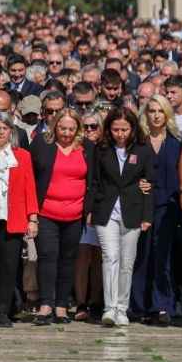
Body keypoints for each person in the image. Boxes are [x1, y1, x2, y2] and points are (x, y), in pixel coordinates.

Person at [30, 108, 95, 325]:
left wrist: (89, 209)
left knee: (68, 259)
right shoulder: (42, 144)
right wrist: (32, 214)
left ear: (78, 129)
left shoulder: (87, 148)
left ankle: (61, 305)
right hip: (46, 212)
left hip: (75, 214)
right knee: (47, 256)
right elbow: (31, 176)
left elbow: (94, 180)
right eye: (62, 128)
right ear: (55, 126)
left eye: (71, 129)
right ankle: (46, 304)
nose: (66, 133)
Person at [92, 108, 154, 327]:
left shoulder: (143, 149)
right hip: (106, 210)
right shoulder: (101, 149)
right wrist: (90, 210)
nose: (120, 134)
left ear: (133, 128)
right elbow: (94, 181)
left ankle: (121, 307)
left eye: (124, 129)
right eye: (116, 129)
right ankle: (109, 308)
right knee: (110, 257)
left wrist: (147, 216)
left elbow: (150, 183)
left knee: (127, 262)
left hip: (133, 211)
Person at [0, 111, 39, 328]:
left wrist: (33, 218)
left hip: (13, 217)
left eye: (5, 128)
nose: (1, 132)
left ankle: (3, 311)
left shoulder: (22, 156)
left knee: (9, 266)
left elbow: (30, 187)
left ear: (11, 131)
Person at [132, 95, 180, 325]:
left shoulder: (175, 143)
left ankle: (162, 305)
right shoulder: (138, 142)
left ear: (167, 114)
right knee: (141, 255)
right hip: (141, 205)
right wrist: (138, 182)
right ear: (146, 114)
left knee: (163, 257)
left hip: (167, 205)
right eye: (152, 110)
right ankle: (138, 305)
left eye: (161, 110)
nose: (156, 115)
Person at [73, 112, 104, 322]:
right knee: (83, 256)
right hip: (80, 207)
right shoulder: (79, 148)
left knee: (99, 257)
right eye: (85, 127)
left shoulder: (105, 148)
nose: (89, 131)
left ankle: (96, 301)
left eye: (94, 126)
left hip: (101, 207)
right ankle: (81, 302)